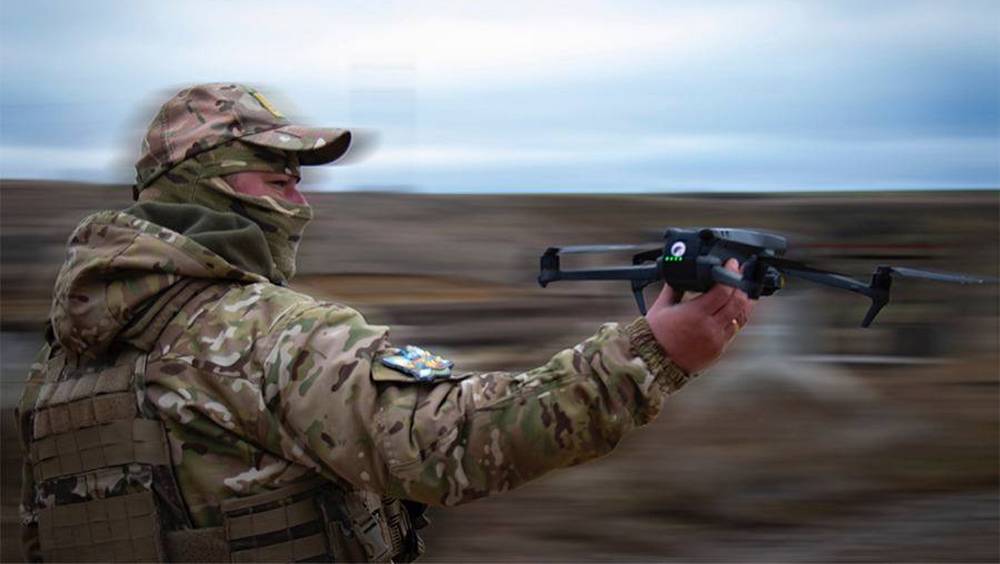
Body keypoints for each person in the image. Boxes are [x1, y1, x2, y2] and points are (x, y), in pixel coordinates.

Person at [17, 83, 754, 562]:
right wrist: (650, 355)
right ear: (206, 184)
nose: (301, 202)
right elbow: (457, 442)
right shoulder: (257, 335)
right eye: (278, 178)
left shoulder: (67, 356)